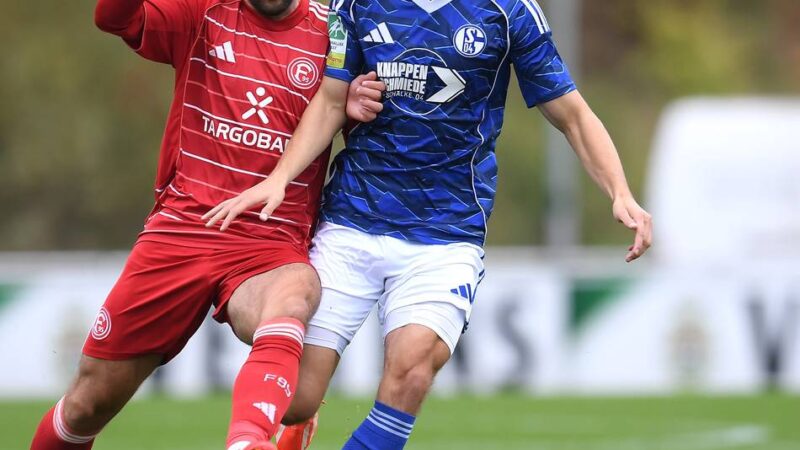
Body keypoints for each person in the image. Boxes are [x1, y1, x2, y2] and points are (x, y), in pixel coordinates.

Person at [206, 0, 653, 449]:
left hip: (446, 233)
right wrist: (280, 177)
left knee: (413, 369)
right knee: (296, 399)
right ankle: (299, 423)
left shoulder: (509, 10)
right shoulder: (356, 4)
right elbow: (330, 99)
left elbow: (572, 114)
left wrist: (620, 191)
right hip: (352, 219)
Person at [29, 0, 382, 449]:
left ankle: (248, 441)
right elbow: (113, 18)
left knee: (294, 293)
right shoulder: (204, 11)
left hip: (269, 241)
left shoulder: (334, 31)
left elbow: (366, 127)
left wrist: (357, 103)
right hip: (182, 231)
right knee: (86, 405)